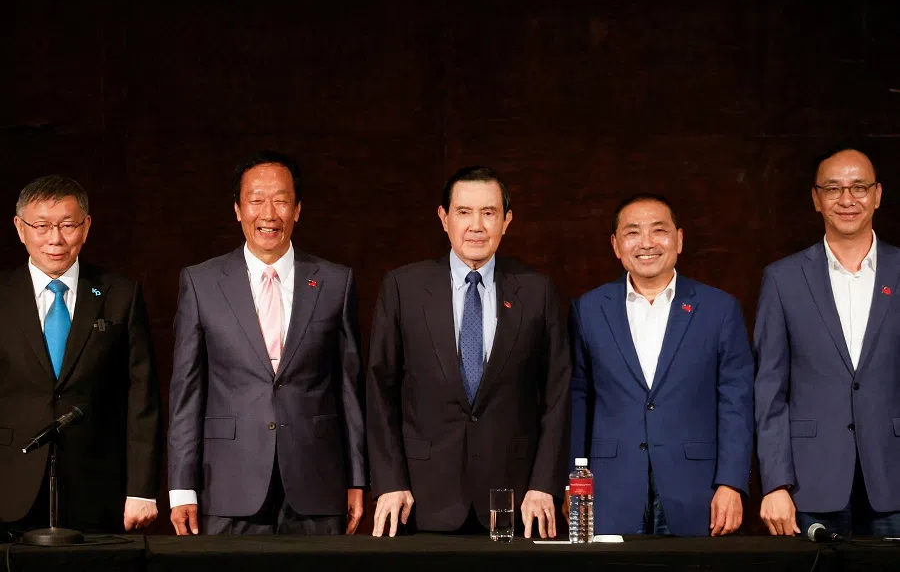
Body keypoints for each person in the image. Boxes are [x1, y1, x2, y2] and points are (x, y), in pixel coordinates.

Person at [366, 166, 571, 539]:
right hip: (422, 497)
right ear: (444, 218)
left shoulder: (536, 292)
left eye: (489, 212)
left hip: (516, 500)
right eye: (464, 212)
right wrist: (388, 481)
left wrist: (545, 484)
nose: (476, 225)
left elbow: (558, 395)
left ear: (507, 220)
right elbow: (380, 392)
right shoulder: (404, 288)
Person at [168, 151, 365, 536]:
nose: (269, 213)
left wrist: (357, 478)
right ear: (238, 210)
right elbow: (185, 392)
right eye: (256, 200)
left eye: (281, 200)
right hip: (227, 483)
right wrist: (181, 487)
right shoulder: (201, 282)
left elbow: (349, 389)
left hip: (316, 483)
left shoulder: (335, 282)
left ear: (298, 209)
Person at [569, 193, 754, 536]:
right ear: (615, 245)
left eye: (659, 230)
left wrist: (731, 483)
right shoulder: (588, 309)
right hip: (611, 488)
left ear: (679, 239)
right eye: (633, 232)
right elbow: (578, 401)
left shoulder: (719, 308)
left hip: (698, 491)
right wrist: (571, 484)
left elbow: (737, 403)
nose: (647, 243)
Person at [0, 175, 161, 534]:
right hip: (10, 484)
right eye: (41, 226)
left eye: (68, 225)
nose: (55, 239)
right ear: (20, 228)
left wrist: (141, 489)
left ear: (86, 227)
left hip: (98, 488)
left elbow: (142, 398)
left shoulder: (121, 294)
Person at [755, 148, 900, 537]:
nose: (847, 199)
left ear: (878, 194)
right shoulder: (783, 279)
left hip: (893, 478)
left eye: (859, 187)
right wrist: (775, 483)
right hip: (810, 483)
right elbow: (770, 390)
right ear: (816, 199)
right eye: (833, 189)